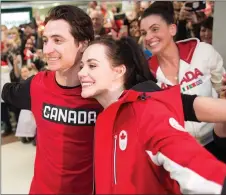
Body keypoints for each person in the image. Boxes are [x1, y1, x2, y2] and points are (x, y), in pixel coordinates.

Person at [78, 36, 226, 194]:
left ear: (119, 71)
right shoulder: (104, 120)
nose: (81, 73)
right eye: (81, 66)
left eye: (92, 65)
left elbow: (205, 175)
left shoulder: (146, 111)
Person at [2, 5, 101, 194]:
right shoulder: (37, 85)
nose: (47, 50)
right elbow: (7, 91)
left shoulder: (102, 92)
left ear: (83, 44)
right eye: (46, 40)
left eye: (58, 40)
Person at [139, 2, 225, 156]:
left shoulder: (202, 51)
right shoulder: (145, 73)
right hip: (178, 153)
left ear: (172, 29)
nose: (149, 37)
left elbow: (222, 94)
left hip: (215, 144)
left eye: (155, 29)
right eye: (144, 32)